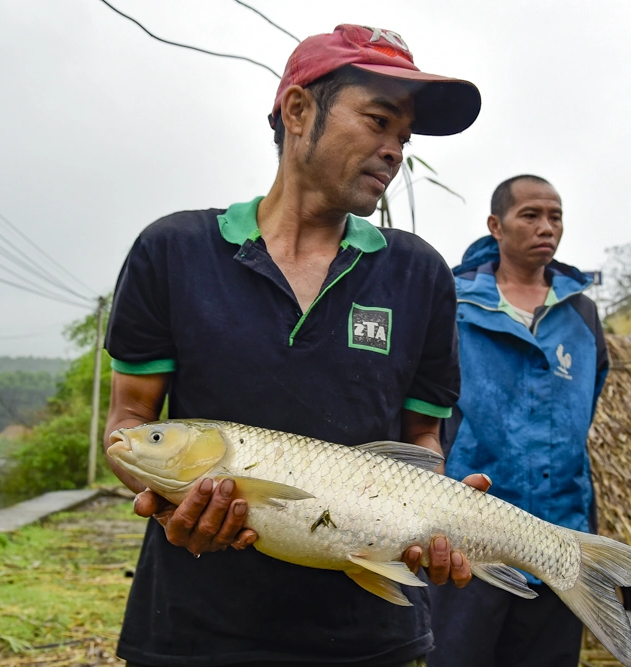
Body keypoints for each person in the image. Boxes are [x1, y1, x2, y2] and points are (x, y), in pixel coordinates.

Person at [103, 24, 488, 667]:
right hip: (192, 632)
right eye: (377, 121)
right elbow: (129, 424)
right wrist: (170, 504)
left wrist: (432, 515)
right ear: (299, 110)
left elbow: (424, 439)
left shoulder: (419, 273)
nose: (393, 150)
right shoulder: (173, 252)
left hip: (369, 638)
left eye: (404, 137)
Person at [428, 175, 610, 667]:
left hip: (562, 523)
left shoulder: (582, 314)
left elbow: (586, 402)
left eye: (555, 217)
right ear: (496, 225)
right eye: (530, 215)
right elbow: (429, 401)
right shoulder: (455, 303)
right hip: (471, 530)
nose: (545, 227)